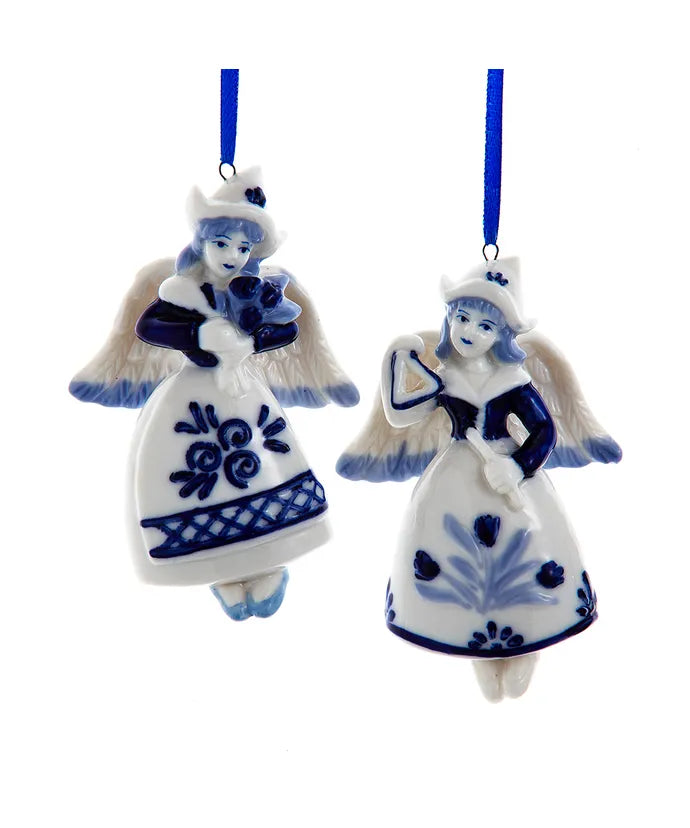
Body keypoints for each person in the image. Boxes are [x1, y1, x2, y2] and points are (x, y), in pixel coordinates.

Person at [71, 168, 358, 620]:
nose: (232, 256)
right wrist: (199, 334)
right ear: (201, 242)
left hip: (243, 390)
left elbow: (287, 330)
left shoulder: (256, 291)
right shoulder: (182, 290)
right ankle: (218, 571)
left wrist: (251, 340)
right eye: (222, 243)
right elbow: (149, 326)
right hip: (192, 395)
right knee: (188, 466)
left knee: (264, 460)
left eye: (243, 248)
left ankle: (267, 563)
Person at [338, 257, 620, 701]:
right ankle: (470, 639)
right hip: (455, 469)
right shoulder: (445, 378)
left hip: (507, 472)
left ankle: (530, 640)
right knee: (449, 552)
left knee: (528, 550)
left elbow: (544, 432)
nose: (469, 331)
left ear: (502, 337)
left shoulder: (513, 382)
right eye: (462, 318)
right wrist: (396, 357)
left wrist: (518, 465)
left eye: (485, 326)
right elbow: (401, 414)